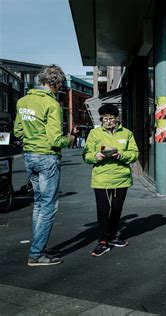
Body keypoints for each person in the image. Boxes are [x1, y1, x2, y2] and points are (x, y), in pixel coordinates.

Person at [13, 64, 75, 266]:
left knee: (39, 205)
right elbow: (56, 140)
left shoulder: (23, 101)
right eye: (60, 85)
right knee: (48, 206)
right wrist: (69, 139)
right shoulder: (52, 104)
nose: (60, 88)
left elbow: (18, 132)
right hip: (47, 157)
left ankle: (38, 247)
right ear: (54, 83)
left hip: (29, 156)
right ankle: (37, 254)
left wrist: (32, 139)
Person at [83, 104, 139, 257]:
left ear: (117, 118)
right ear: (101, 119)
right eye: (105, 119)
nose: (108, 121)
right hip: (101, 178)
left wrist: (121, 154)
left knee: (116, 210)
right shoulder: (94, 133)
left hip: (121, 178)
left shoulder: (126, 133)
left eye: (111, 118)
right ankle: (102, 241)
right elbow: (86, 155)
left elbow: (134, 153)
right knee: (103, 210)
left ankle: (113, 236)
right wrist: (96, 156)